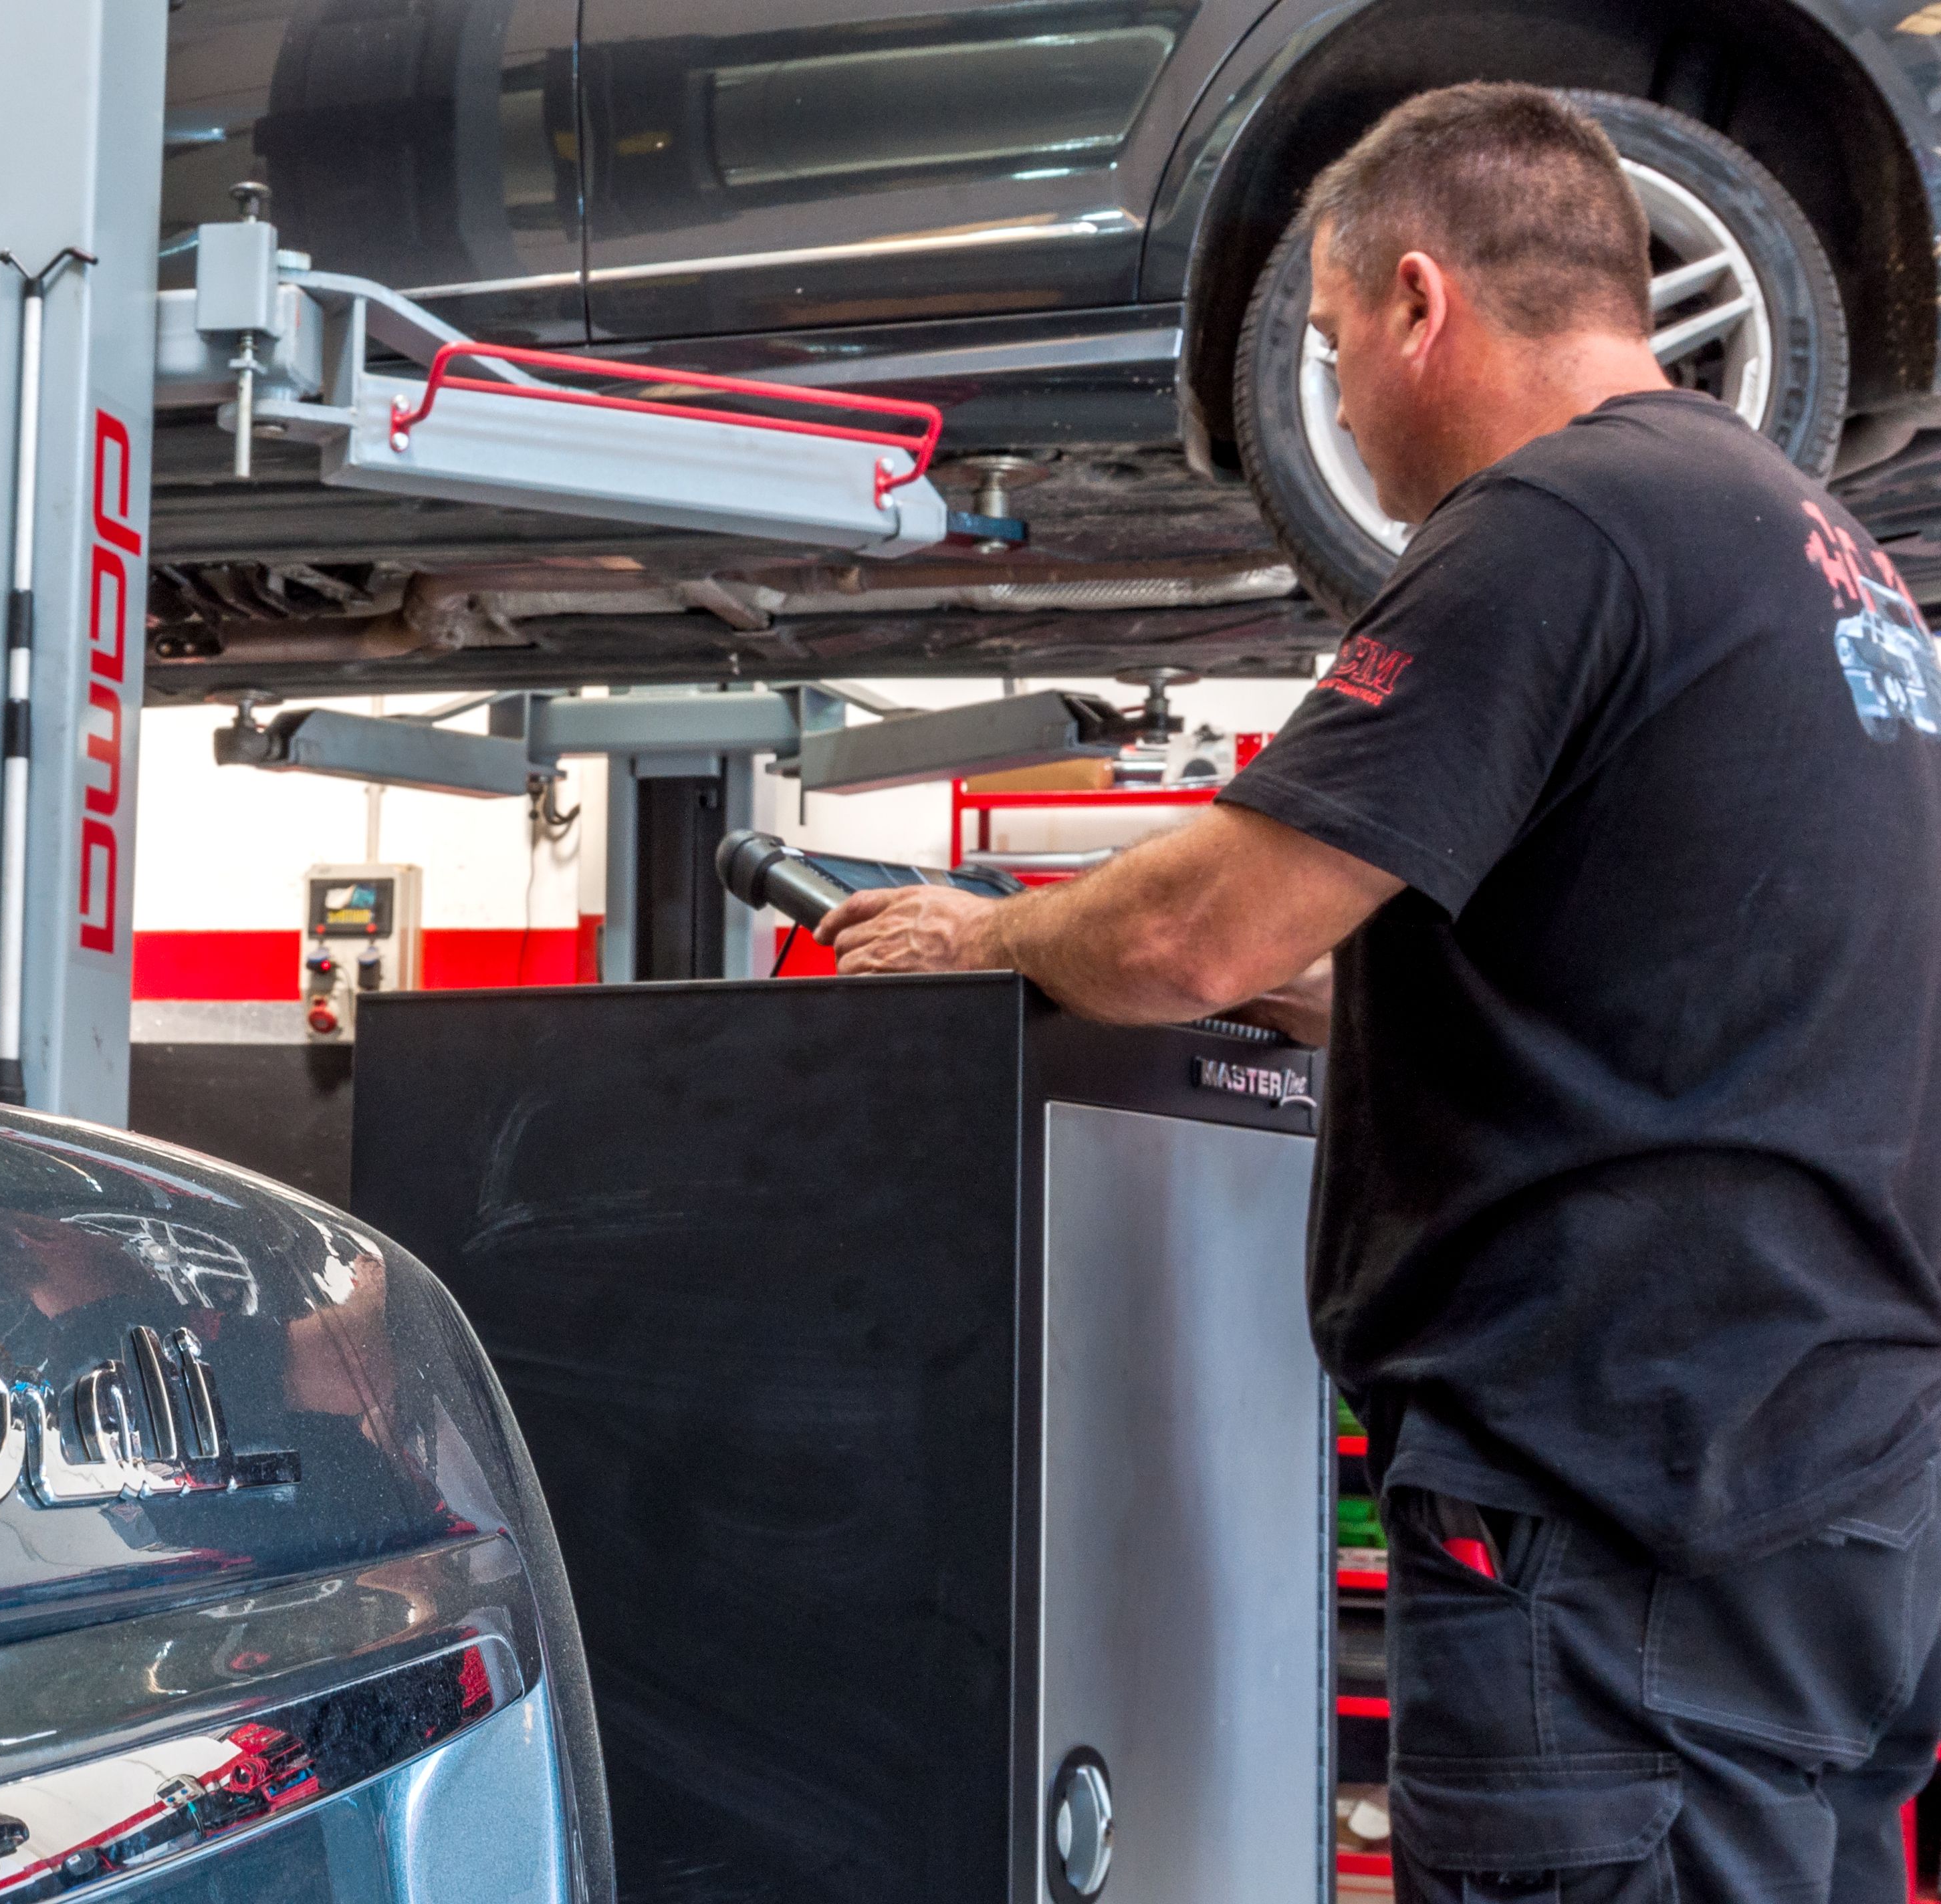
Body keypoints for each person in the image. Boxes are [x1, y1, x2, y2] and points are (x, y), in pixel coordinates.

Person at [818, 82, 1941, 1902]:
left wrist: (989, 932)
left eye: (1337, 342)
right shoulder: (1815, 553)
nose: (1339, 397)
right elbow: (1629, 997)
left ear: (1423, 302)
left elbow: (1193, 935)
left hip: (1621, 1498)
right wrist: (1325, 1001)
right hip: (1830, 1496)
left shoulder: (1561, 523)